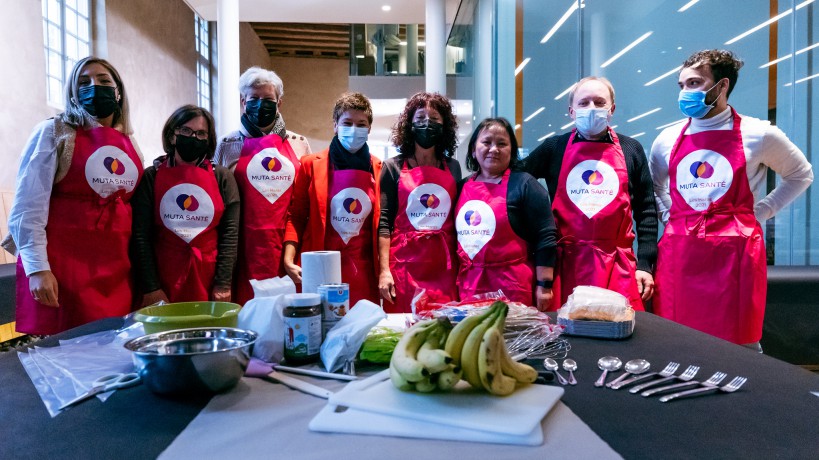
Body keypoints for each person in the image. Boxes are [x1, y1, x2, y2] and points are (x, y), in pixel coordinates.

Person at [649, 49, 813, 346]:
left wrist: (759, 212)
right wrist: (669, 215)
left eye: (695, 83)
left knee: (740, 342)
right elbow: (653, 186)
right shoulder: (666, 139)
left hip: (734, 256)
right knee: (677, 340)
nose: (685, 92)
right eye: (682, 85)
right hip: (680, 255)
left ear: (722, 86)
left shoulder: (759, 133)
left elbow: (800, 175)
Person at [3, 57, 144, 335]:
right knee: (68, 354)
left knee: (112, 352)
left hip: (117, 268)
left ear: (118, 91)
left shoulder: (130, 143)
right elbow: (27, 208)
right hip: (66, 268)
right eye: (84, 82)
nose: (95, 86)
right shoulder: (54, 132)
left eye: (104, 81)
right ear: (72, 92)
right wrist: (37, 269)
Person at [524, 76, 658, 311]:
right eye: (584, 103)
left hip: (618, 265)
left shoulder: (631, 149)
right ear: (571, 111)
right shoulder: (553, 148)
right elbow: (516, 179)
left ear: (611, 109)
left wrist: (645, 264)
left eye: (599, 102)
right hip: (566, 266)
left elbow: (646, 211)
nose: (592, 109)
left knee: (620, 334)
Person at [213, 67, 305, 304]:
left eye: (268, 99)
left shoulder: (298, 143)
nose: (260, 105)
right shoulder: (227, 144)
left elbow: (303, 198)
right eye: (254, 99)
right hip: (242, 248)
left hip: (286, 247)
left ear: (279, 103)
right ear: (243, 102)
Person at [131, 105, 240, 306]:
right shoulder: (152, 176)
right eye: (186, 131)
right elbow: (140, 235)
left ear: (208, 140)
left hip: (208, 277)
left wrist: (223, 284)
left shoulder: (222, 177)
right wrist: (151, 287)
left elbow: (230, 235)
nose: (193, 138)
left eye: (201, 133)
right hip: (163, 275)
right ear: (173, 135)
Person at [283, 92, 383, 306]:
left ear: (369, 129)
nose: (354, 129)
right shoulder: (310, 164)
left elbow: (383, 224)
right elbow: (297, 216)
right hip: (319, 266)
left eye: (361, 123)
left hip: (362, 271)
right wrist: (288, 258)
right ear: (335, 125)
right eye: (347, 122)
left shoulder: (378, 169)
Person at [456, 117, 557, 311]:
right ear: (473, 150)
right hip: (470, 286)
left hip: (512, 287)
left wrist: (544, 286)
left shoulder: (525, 184)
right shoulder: (461, 187)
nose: (494, 149)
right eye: (486, 142)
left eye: (502, 144)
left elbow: (546, 237)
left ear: (511, 152)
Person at [377, 92, 463, 313]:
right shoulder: (392, 167)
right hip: (406, 265)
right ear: (409, 125)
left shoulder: (453, 167)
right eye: (421, 118)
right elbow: (384, 222)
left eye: (434, 119)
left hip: (443, 266)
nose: (427, 124)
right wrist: (384, 270)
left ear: (444, 126)